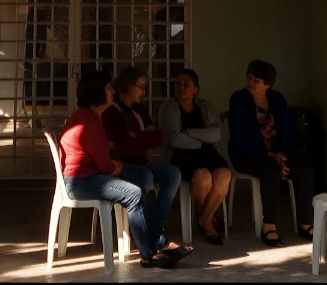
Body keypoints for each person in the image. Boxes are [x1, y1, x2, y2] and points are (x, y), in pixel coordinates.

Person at [59, 71, 191, 269]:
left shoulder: (93, 117)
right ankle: (149, 254)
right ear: (97, 92)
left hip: (92, 175)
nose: (112, 92)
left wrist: (123, 155)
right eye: (108, 88)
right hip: (80, 182)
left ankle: (158, 240)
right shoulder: (89, 121)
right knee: (134, 193)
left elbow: (150, 139)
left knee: (142, 177)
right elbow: (106, 165)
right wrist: (117, 166)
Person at [228, 59, 313, 247]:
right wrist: (271, 156)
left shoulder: (277, 99)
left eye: (256, 80)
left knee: (304, 168)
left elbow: (289, 130)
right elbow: (240, 137)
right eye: (249, 77)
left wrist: (282, 154)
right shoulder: (238, 99)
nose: (250, 83)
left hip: (278, 153)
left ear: (268, 84)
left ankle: (305, 223)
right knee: (271, 171)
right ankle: (268, 225)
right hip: (247, 154)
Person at [102, 67, 187, 253]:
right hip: (121, 166)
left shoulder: (140, 109)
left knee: (173, 173)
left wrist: (136, 136)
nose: (143, 92)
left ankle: (152, 228)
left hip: (141, 161)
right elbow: (122, 143)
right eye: (140, 87)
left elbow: (157, 138)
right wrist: (141, 137)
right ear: (127, 86)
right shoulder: (112, 111)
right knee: (145, 175)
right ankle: (154, 235)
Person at [158, 69, 231, 245]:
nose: (181, 87)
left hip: (208, 153)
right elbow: (174, 139)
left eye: (186, 84)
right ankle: (205, 216)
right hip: (180, 155)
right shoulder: (168, 108)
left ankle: (205, 218)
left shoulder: (204, 107)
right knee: (202, 176)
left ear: (195, 89)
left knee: (224, 174)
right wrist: (201, 139)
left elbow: (216, 133)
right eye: (178, 84)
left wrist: (189, 132)